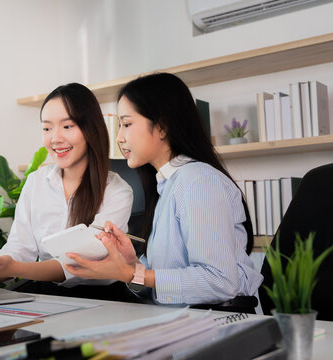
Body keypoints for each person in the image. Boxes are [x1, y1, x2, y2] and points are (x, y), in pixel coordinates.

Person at [65, 73, 263, 306]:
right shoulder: (167, 185)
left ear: (162, 127)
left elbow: (219, 281)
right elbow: (154, 290)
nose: (119, 137)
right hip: (179, 321)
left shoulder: (198, 182)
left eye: (127, 124)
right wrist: (131, 265)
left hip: (219, 326)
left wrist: (131, 273)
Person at [0, 83, 134, 299]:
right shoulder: (36, 182)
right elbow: (19, 247)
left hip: (104, 299)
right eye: (47, 128)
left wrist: (12, 269)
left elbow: (80, 263)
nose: (55, 138)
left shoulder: (118, 191)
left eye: (67, 126)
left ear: (91, 129)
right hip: (48, 294)